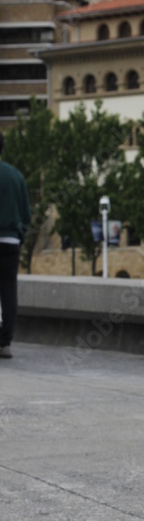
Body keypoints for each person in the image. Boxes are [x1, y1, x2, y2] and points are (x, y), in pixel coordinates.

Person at [0, 133, 31, 359]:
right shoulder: (16, 176)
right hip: (10, 241)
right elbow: (27, 215)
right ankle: (5, 342)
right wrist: (19, 238)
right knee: (9, 290)